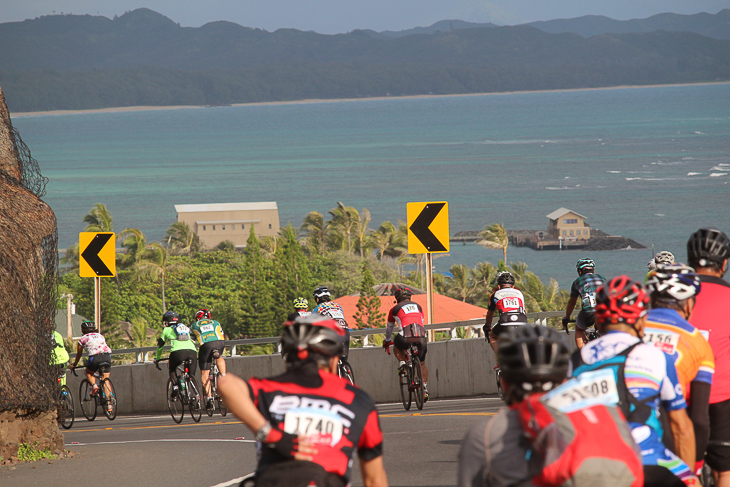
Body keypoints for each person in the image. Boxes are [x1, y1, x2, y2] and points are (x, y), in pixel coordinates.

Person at [218, 314, 388, 487]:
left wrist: (271, 435)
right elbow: (374, 479)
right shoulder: (359, 400)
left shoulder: (268, 388)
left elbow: (225, 383)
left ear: (287, 358)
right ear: (334, 359)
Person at [570, 276, 697, 486]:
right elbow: (681, 427)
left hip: (597, 468)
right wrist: (691, 476)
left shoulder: (577, 360)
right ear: (641, 320)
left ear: (599, 320)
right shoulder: (656, 356)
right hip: (650, 463)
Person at [644, 263, 713, 473]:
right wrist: (695, 468)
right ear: (688, 304)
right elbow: (700, 420)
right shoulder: (698, 342)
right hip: (668, 444)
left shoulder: (631, 329)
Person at [686, 227, 730, 486]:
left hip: (680, 393)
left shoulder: (674, 299)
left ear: (690, 262)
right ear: (724, 264)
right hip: (721, 393)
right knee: (724, 470)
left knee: (684, 466)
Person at [382, 287, 429, 401]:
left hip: (404, 338)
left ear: (397, 299)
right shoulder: (418, 307)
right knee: (422, 363)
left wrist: (387, 340)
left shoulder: (394, 309)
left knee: (396, 346)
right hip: (421, 338)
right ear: (409, 297)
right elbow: (421, 323)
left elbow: (389, 328)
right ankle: (424, 389)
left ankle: (402, 362)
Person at [562, 257, 606, 349]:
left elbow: (572, 302)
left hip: (588, 311)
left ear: (580, 271)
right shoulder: (602, 278)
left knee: (579, 329)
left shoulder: (577, 282)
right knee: (603, 330)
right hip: (604, 310)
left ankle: (582, 354)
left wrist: (567, 317)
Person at [482, 271, 527, 360]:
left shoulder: (495, 294)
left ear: (499, 286)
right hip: (522, 322)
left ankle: (501, 360)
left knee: (493, 336)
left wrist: (487, 326)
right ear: (513, 286)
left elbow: (490, 313)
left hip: (505, 322)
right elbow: (523, 311)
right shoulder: (519, 293)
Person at [71, 320, 113, 411]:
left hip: (95, 357)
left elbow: (79, 354)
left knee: (89, 373)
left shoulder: (82, 339)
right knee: (106, 380)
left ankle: (94, 386)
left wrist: (74, 364)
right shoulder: (100, 336)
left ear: (83, 330)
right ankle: (109, 404)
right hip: (107, 356)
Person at [153, 311, 197, 397]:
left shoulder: (166, 330)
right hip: (192, 352)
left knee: (172, 368)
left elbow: (160, 345)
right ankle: (196, 396)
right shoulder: (184, 327)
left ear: (166, 322)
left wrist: (157, 358)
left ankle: (176, 387)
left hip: (177, 353)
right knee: (191, 376)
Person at [190, 308, 226, 409]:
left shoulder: (194, 325)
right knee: (219, 356)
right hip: (220, 343)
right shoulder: (216, 322)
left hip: (206, 345)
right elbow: (221, 334)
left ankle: (209, 398)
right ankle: (223, 375)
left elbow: (190, 339)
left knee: (205, 372)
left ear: (198, 318)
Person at [312, 286, 351, 364]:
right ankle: (345, 369)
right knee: (343, 359)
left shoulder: (317, 308)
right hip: (345, 330)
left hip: (331, 332)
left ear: (317, 299)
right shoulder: (338, 306)